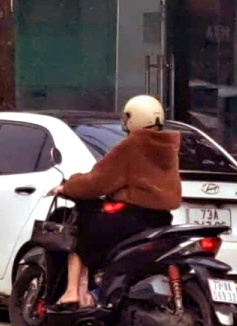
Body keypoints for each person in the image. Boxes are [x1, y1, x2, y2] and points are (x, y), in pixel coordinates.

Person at [50, 93, 181, 308]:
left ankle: (73, 291)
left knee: (82, 232)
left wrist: (68, 186)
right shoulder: (169, 147)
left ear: (132, 118)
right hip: (161, 220)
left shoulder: (132, 146)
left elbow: (97, 181)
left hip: (129, 219)